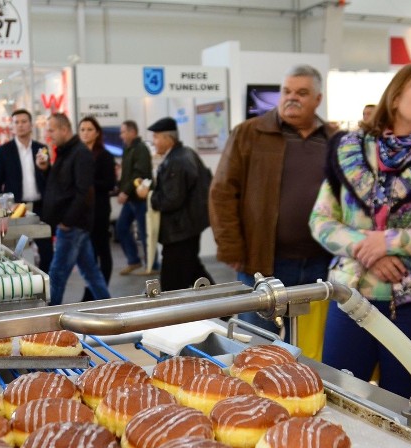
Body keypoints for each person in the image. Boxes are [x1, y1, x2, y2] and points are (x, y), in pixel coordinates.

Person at [309, 63, 411, 400]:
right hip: (351, 295)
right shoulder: (349, 151)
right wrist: (364, 248)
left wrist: (390, 241)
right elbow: (321, 220)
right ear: (396, 97)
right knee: (341, 395)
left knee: (406, 405)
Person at [209, 64, 337, 338]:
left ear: (318, 99)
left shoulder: (334, 140)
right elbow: (222, 192)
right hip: (263, 262)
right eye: (287, 91)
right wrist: (231, 248)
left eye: (302, 93)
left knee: (311, 349)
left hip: (321, 263)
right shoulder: (249, 133)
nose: (292, 97)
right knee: (254, 343)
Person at [37, 112, 111, 305]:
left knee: (57, 274)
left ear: (64, 129)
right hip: (72, 225)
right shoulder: (65, 152)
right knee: (91, 273)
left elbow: (84, 192)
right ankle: (110, 308)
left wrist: (67, 222)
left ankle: (49, 322)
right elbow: (59, 186)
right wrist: (45, 169)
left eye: (51, 130)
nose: (49, 134)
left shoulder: (81, 154)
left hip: (72, 226)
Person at [138, 117, 212, 291]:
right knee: (196, 274)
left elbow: (171, 200)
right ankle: (224, 309)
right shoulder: (184, 154)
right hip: (187, 228)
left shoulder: (176, 161)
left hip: (180, 231)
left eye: (156, 137)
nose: (154, 142)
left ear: (167, 138)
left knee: (172, 284)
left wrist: (147, 195)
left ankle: (220, 309)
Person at [0, 108, 53, 273]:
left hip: (40, 207)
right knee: (17, 251)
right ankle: (24, 281)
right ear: (12, 126)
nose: (20, 125)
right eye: (16, 122)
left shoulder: (41, 149)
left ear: (31, 125)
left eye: (24, 121)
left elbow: (50, 178)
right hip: (16, 209)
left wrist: (46, 168)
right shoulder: (4, 151)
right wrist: (2, 207)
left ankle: (43, 280)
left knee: (47, 251)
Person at [78, 115, 116, 300]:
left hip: (100, 210)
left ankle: (102, 291)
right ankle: (92, 291)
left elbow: (110, 183)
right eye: (83, 129)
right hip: (83, 212)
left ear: (97, 132)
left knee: (102, 250)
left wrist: (87, 183)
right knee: (88, 254)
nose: (85, 133)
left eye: (89, 129)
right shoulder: (77, 154)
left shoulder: (105, 155)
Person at [115, 120, 154, 275]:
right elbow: (128, 173)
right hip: (131, 198)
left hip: (140, 199)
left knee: (145, 233)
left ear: (132, 132)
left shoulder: (141, 149)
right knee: (121, 228)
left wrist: (125, 191)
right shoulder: (128, 149)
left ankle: (152, 265)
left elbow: (139, 174)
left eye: (123, 132)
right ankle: (134, 261)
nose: (121, 135)